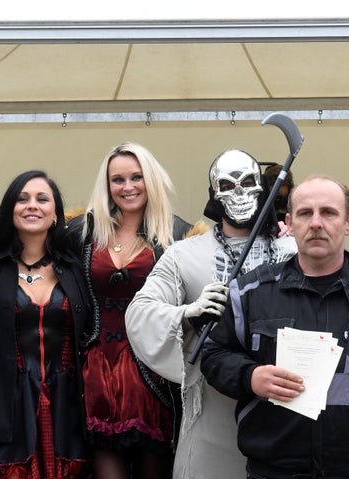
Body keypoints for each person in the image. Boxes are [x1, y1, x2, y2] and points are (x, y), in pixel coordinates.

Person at [200, 175, 349, 479]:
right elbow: (213, 354)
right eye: (305, 213)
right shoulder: (251, 291)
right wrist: (249, 376)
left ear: (348, 222)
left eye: (328, 212)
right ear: (289, 223)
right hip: (274, 471)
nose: (316, 222)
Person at [125, 149, 296, 479]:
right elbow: (141, 312)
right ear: (214, 193)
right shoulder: (184, 256)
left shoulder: (295, 251)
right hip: (213, 412)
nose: (240, 194)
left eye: (248, 182)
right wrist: (190, 314)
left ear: (263, 187)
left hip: (286, 411)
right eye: (228, 185)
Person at [69, 142, 191, 479]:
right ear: (107, 185)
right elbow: (30, 241)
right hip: (97, 371)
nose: (128, 187)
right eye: (117, 179)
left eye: (136, 177)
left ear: (150, 180)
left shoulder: (178, 235)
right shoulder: (82, 232)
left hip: (151, 372)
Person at [0, 170, 92, 478]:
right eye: (23, 199)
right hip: (0, 407)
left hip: (66, 409)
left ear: (56, 214)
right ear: (11, 210)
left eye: (42, 199)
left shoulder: (76, 267)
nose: (32, 205)